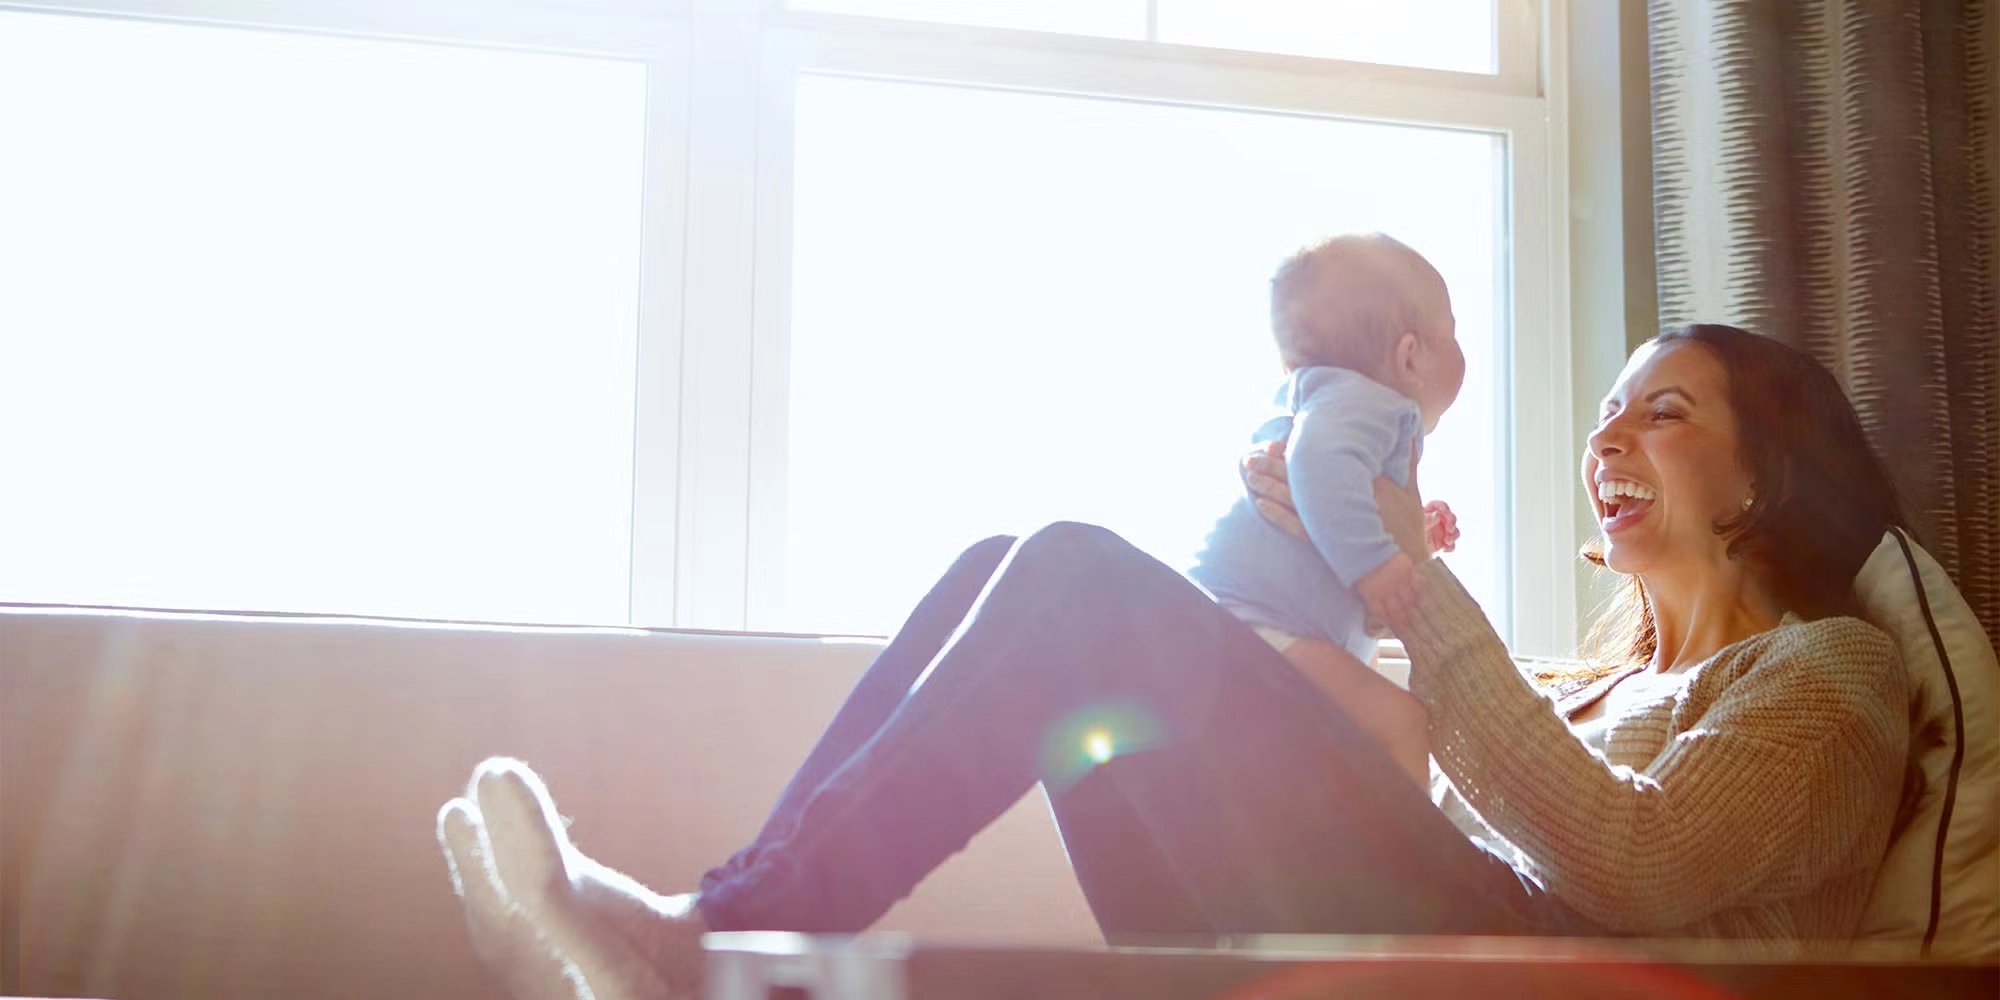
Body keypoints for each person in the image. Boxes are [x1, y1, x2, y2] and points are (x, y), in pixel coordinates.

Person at [436, 323, 1912, 1000]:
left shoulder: (1832, 678)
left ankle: (704, 954)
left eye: (1659, 410)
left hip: (1534, 976)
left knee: (1077, 576)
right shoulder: (1580, 682)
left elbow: (1630, 864)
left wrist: (1405, 574)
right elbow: (1395, 764)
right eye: (1604, 411)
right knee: (1016, 574)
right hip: (1390, 943)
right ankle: (723, 934)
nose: (1603, 437)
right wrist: (1295, 588)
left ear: (1765, 473)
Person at [1186, 232, 1466, 787]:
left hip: (1255, 628)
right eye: (1452, 333)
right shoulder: (1364, 400)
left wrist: (1413, 537)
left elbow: (1342, 497)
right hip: (1250, 625)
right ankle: (1413, 871)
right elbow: (1317, 462)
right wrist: (1376, 564)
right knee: (1403, 724)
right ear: (1411, 356)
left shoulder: (1330, 399)